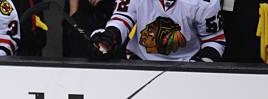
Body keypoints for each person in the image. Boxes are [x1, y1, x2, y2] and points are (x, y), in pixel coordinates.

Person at [89, 0, 226, 62]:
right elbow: (122, 19)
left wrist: (200, 66)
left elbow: (214, 40)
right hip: (139, 62)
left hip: (187, 66)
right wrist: (110, 36)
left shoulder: (205, 2)